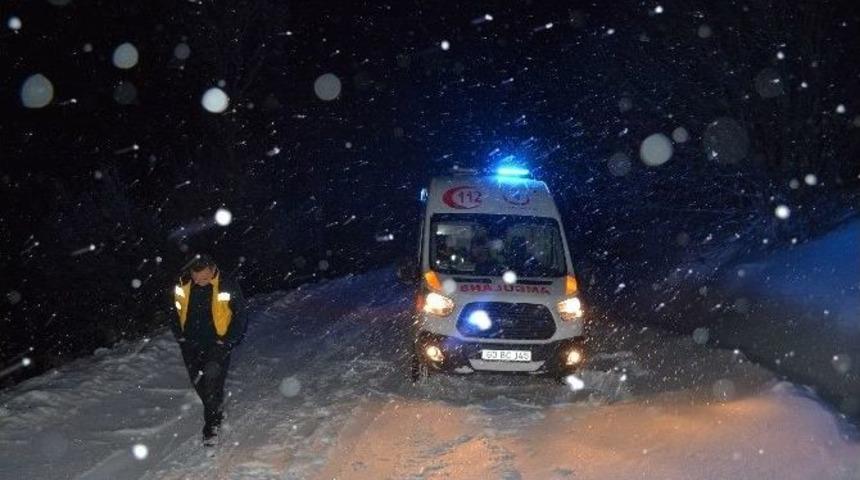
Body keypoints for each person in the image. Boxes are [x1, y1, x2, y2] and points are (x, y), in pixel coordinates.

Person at [170, 254, 246, 446]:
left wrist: (226, 341)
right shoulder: (182, 283)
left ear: (213, 269)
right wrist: (180, 336)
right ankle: (216, 408)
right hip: (190, 343)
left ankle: (211, 426)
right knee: (199, 383)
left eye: (204, 277)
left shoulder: (226, 284)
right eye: (196, 278)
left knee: (211, 382)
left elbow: (240, 316)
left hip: (217, 343)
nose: (200, 282)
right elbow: (173, 311)